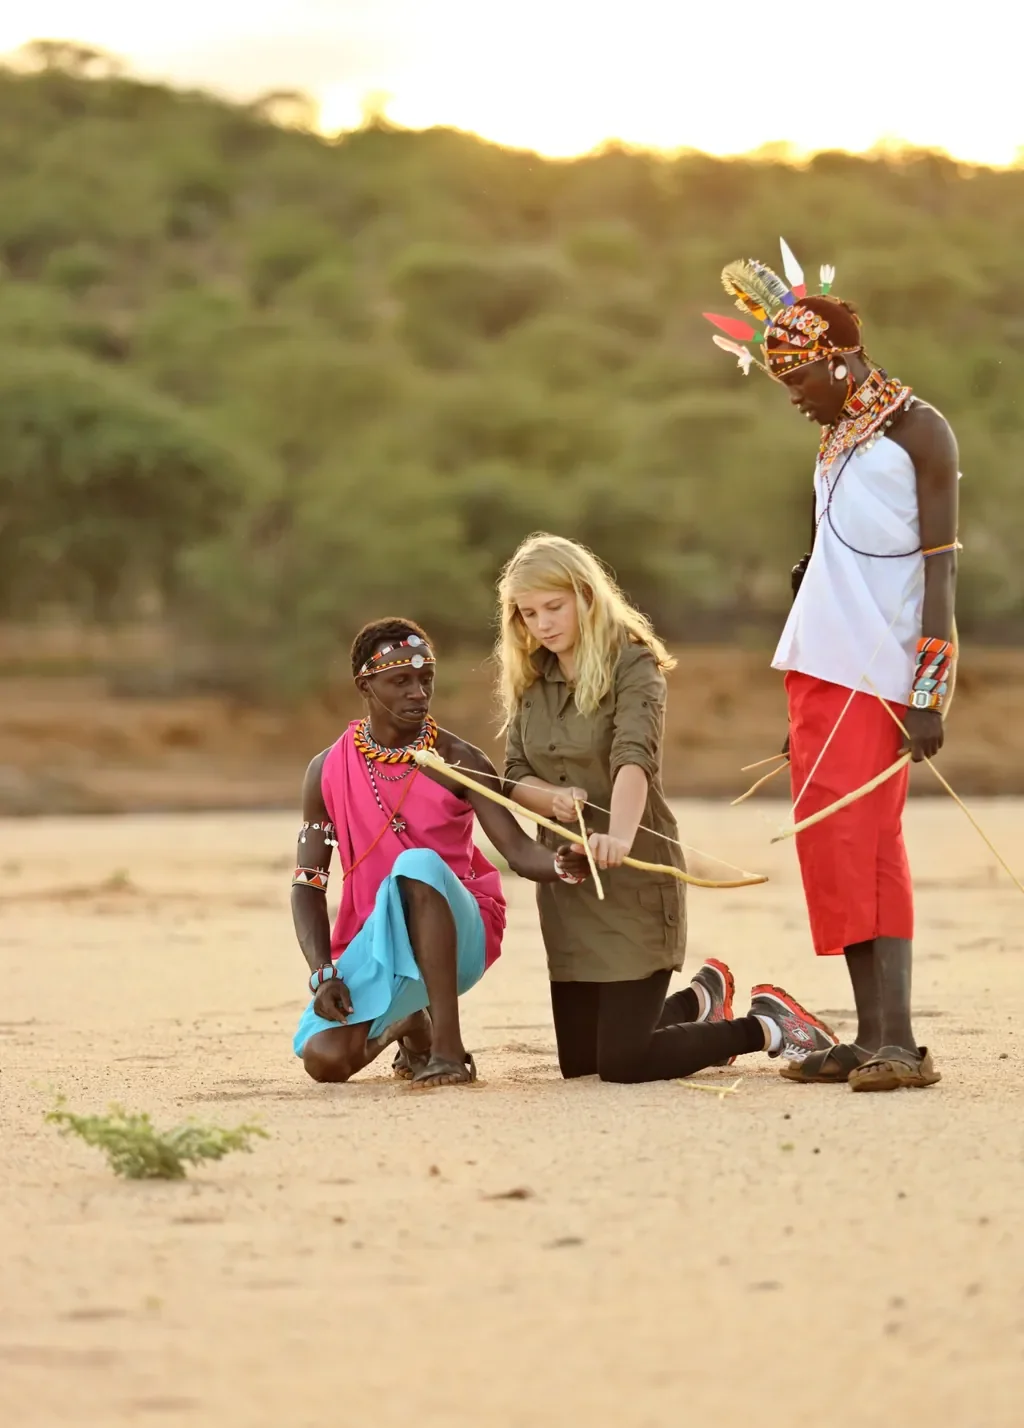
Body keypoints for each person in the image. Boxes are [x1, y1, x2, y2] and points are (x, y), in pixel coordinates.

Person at [705, 249, 959, 1091]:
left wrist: (928, 694)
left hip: (879, 673)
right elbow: (816, 565)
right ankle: (871, 1035)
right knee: (836, 847)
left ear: (844, 361)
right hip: (817, 666)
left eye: (803, 379)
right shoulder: (834, 438)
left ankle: (901, 1043)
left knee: (865, 839)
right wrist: (798, 700)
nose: (796, 398)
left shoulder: (921, 430)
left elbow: (941, 569)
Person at [496, 531, 838, 1083]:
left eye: (553, 607)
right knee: (581, 1066)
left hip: (630, 874)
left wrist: (621, 839)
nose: (543, 624)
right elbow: (513, 775)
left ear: (586, 594)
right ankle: (697, 1003)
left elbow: (635, 761)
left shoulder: (634, 664)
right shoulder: (532, 677)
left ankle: (768, 1027)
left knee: (623, 1065)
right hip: (570, 885)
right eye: (529, 613)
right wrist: (551, 799)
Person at [291, 616, 593, 1088]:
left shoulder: (462, 761)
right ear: (365, 686)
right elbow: (308, 882)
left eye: (425, 679)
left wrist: (560, 862)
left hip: (461, 936)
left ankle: (448, 1052)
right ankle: (412, 1028)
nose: (418, 692)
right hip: (376, 944)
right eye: (401, 681)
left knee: (416, 865)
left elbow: (516, 851)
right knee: (324, 1060)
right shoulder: (326, 769)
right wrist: (322, 974)